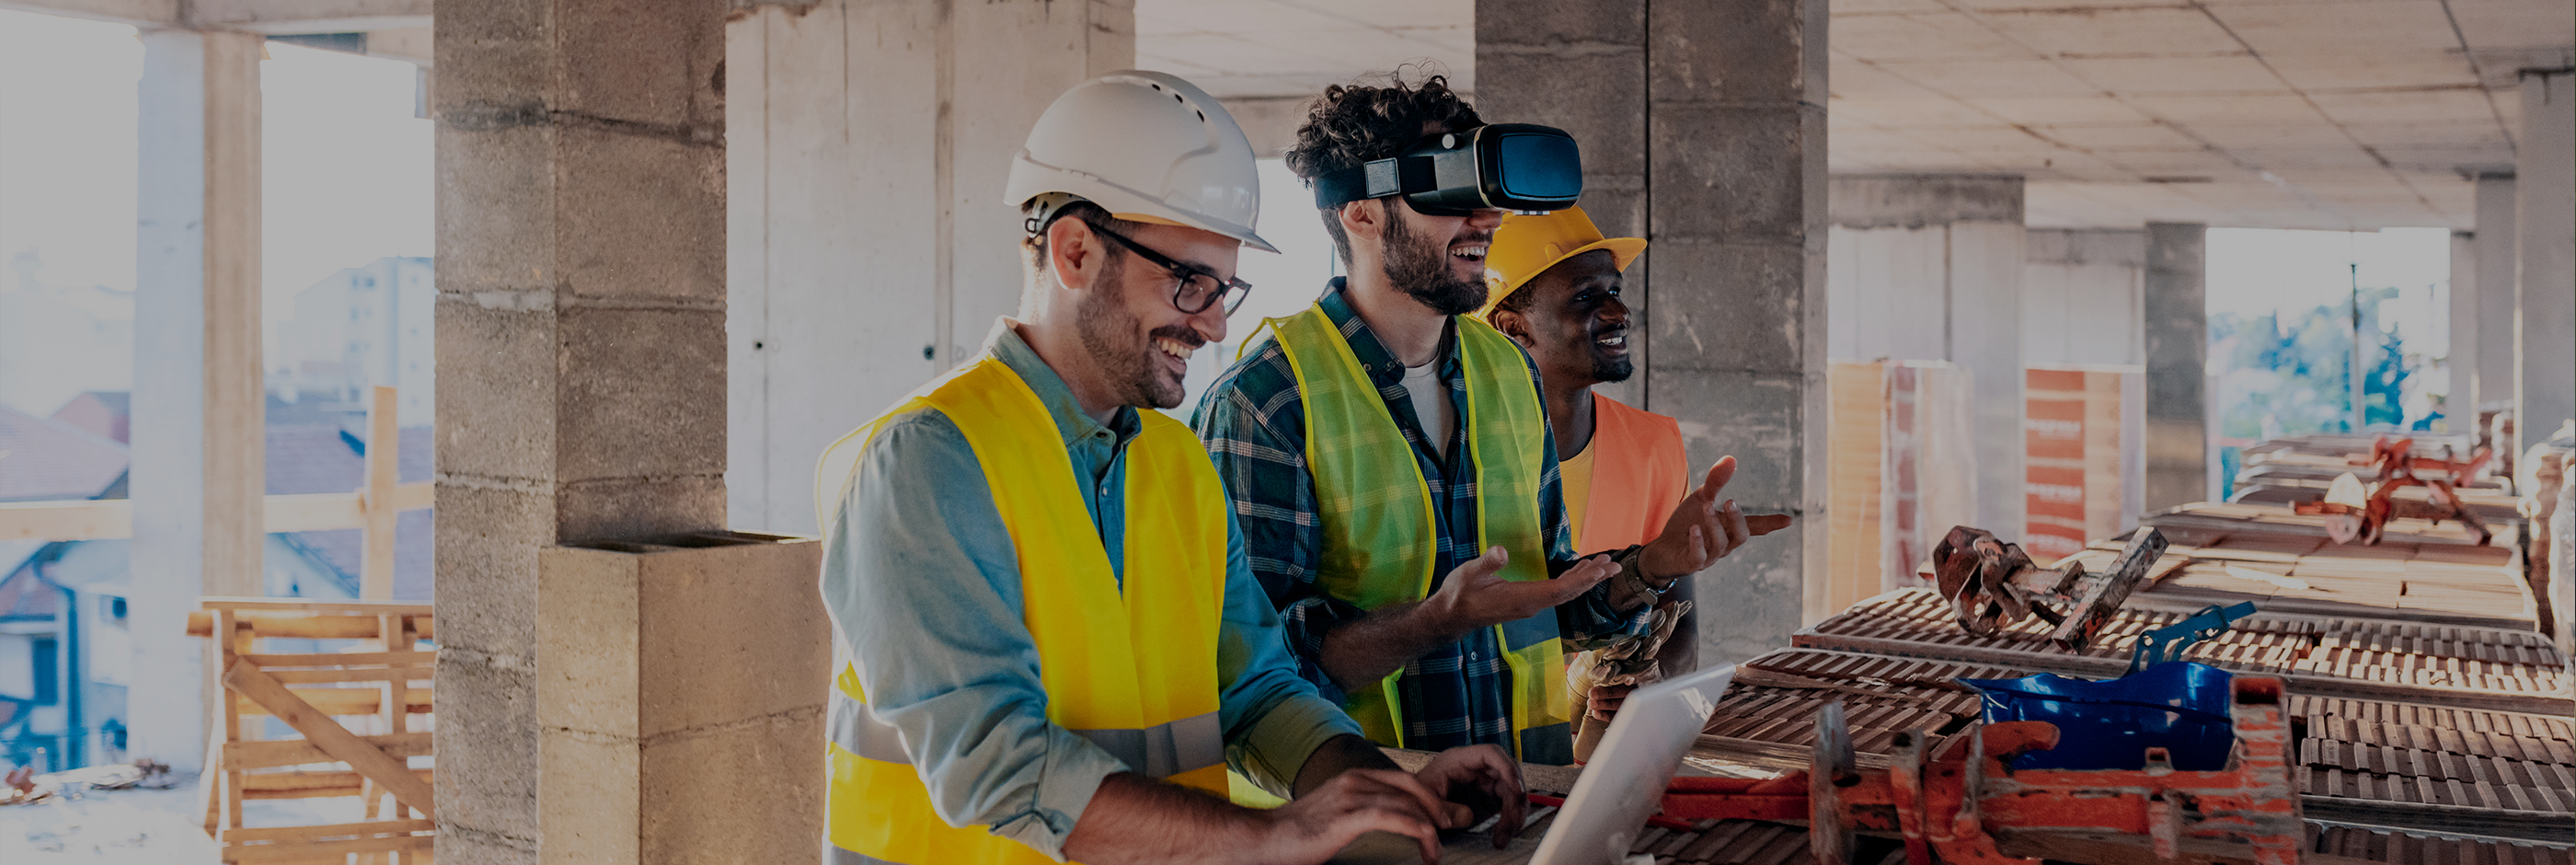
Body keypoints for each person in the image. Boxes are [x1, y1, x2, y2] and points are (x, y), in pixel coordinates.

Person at [814, 71, 1524, 865]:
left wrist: (1382, 787)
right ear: (1075, 251)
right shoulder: (928, 462)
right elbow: (995, 763)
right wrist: (1274, 835)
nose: (1216, 324)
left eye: (1227, 289)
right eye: (1190, 284)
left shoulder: (1176, 463)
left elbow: (1255, 691)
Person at [1193, 75, 1768, 767]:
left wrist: (1647, 569)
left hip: (1520, 796)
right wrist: (1437, 622)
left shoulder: (1507, 373)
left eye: (1485, 198)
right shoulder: (1267, 402)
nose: (1487, 221)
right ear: (1360, 213)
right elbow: (1257, 673)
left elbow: (1545, 602)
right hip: (1367, 823)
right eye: (1449, 195)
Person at [1473, 205, 1792, 740]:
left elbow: (1679, 621)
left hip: (1593, 764)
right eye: (1585, 298)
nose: (1618, 311)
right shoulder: (1461, 456)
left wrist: (1651, 682)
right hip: (1476, 750)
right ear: (1513, 326)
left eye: (1614, 291)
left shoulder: (1652, 445)